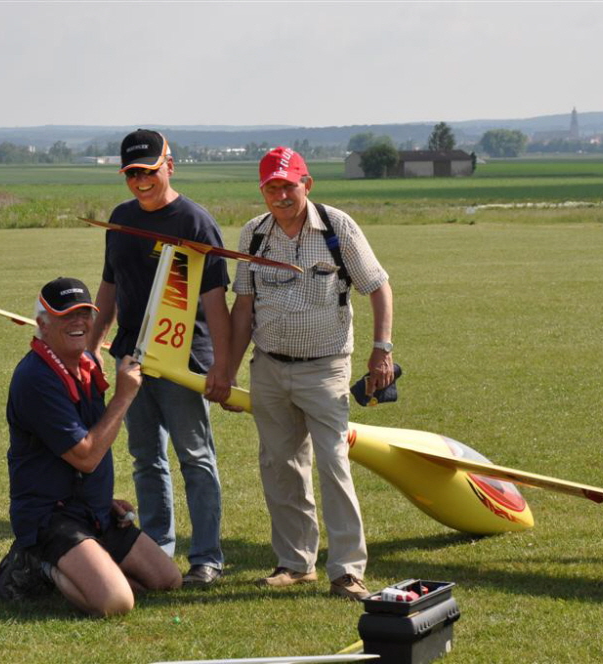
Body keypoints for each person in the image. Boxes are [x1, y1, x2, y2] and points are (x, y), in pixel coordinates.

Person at [228, 147, 394, 601]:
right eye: (271, 187)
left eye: (289, 185)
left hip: (326, 368)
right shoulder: (253, 235)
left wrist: (382, 351)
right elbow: (243, 307)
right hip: (269, 366)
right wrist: (225, 371)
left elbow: (377, 286)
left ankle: (347, 571)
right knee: (280, 467)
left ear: (307, 184)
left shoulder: (338, 227)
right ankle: (296, 564)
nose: (281, 195)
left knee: (334, 464)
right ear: (261, 190)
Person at [86, 129, 230, 587]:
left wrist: (222, 368)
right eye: (131, 173)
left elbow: (214, 303)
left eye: (148, 171)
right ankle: (157, 552)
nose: (140, 181)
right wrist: (92, 345)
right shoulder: (121, 218)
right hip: (131, 358)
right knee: (145, 457)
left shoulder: (195, 223)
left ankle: (206, 557)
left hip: (183, 361)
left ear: (170, 165)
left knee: (195, 458)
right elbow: (109, 287)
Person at [0, 277, 181, 617]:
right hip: (49, 515)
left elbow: (88, 444)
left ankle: (88, 562)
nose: (79, 323)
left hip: (90, 511)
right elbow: (85, 456)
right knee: (117, 602)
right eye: (66, 315)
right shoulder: (35, 380)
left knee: (168, 580)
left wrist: (102, 500)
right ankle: (35, 563)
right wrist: (124, 396)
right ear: (42, 324)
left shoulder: (86, 365)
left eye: (85, 313)